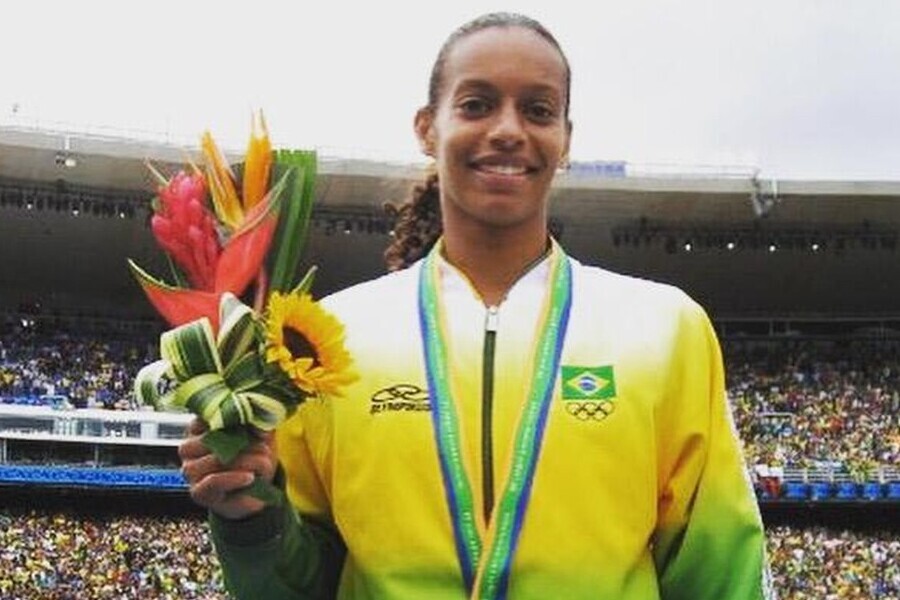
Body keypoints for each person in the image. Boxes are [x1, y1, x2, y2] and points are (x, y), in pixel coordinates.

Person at [179, 12, 774, 599]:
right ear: (426, 128)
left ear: (566, 139)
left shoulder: (664, 329)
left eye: (539, 110)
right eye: (476, 104)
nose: (509, 129)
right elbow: (304, 580)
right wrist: (254, 518)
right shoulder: (328, 343)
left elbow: (719, 569)